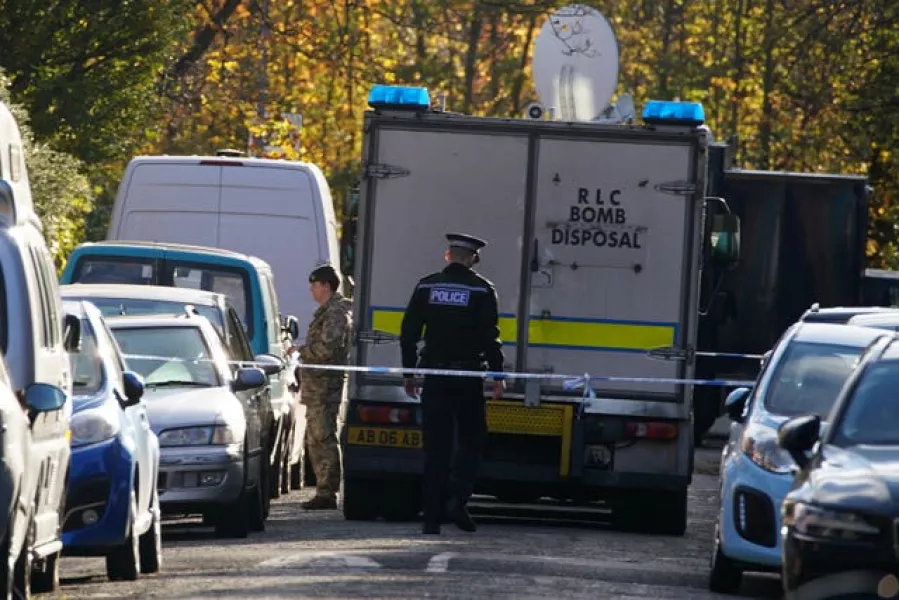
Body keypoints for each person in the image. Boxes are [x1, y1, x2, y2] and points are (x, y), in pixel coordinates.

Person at [400, 233, 505, 535]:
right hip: (468, 378)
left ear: (448, 256)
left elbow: (408, 333)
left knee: (436, 449)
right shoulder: (482, 290)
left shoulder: (426, 286)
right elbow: (490, 338)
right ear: (472, 259)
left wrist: (409, 373)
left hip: (434, 378)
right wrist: (497, 376)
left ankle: (431, 519)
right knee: (472, 441)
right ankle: (457, 498)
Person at [287, 264, 354, 510]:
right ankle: (324, 490)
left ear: (326, 286)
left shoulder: (336, 313)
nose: (311, 291)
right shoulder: (327, 311)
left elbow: (328, 348)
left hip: (325, 386)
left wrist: (300, 351)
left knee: (323, 438)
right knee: (316, 438)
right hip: (317, 386)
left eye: (314, 286)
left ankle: (328, 492)